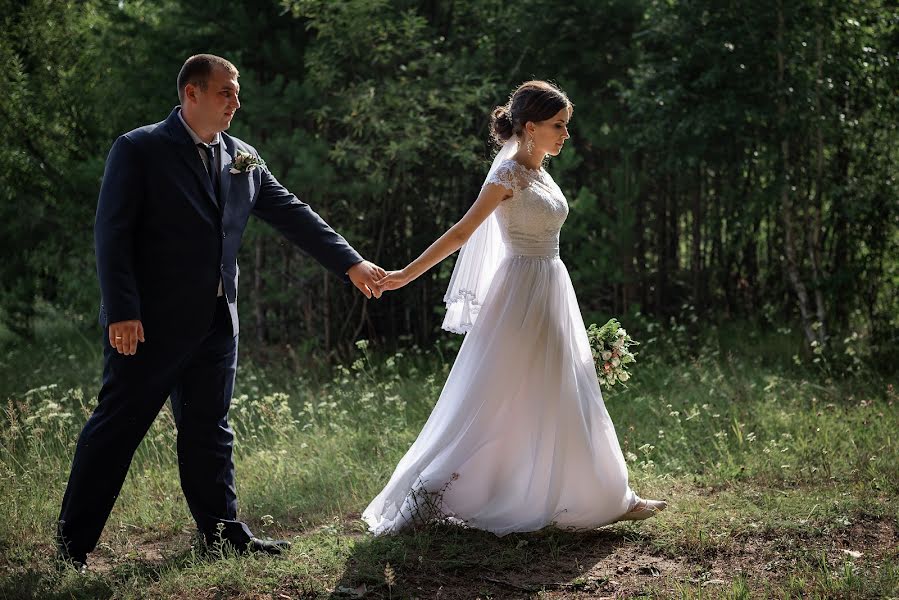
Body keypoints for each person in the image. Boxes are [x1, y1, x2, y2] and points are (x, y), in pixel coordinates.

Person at [56, 54, 386, 569]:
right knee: (117, 429)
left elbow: (292, 213)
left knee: (210, 428)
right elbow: (112, 233)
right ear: (192, 94)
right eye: (225, 93)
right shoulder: (139, 148)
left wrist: (351, 263)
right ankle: (71, 546)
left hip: (217, 322)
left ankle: (222, 534)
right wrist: (122, 309)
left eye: (236, 92)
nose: (236, 102)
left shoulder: (243, 156)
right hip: (147, 326)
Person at [362, 81, 667, 535]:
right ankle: (434, 494)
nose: (566, 134)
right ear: (530, 126)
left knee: (565, 387)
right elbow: (463, 233)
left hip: (551, 284)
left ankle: (604, 494)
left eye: (566, 125)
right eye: (558, 125)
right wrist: (405, 275)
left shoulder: (539, 169)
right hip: (522, 290)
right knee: (503, 394)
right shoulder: (506, 176)